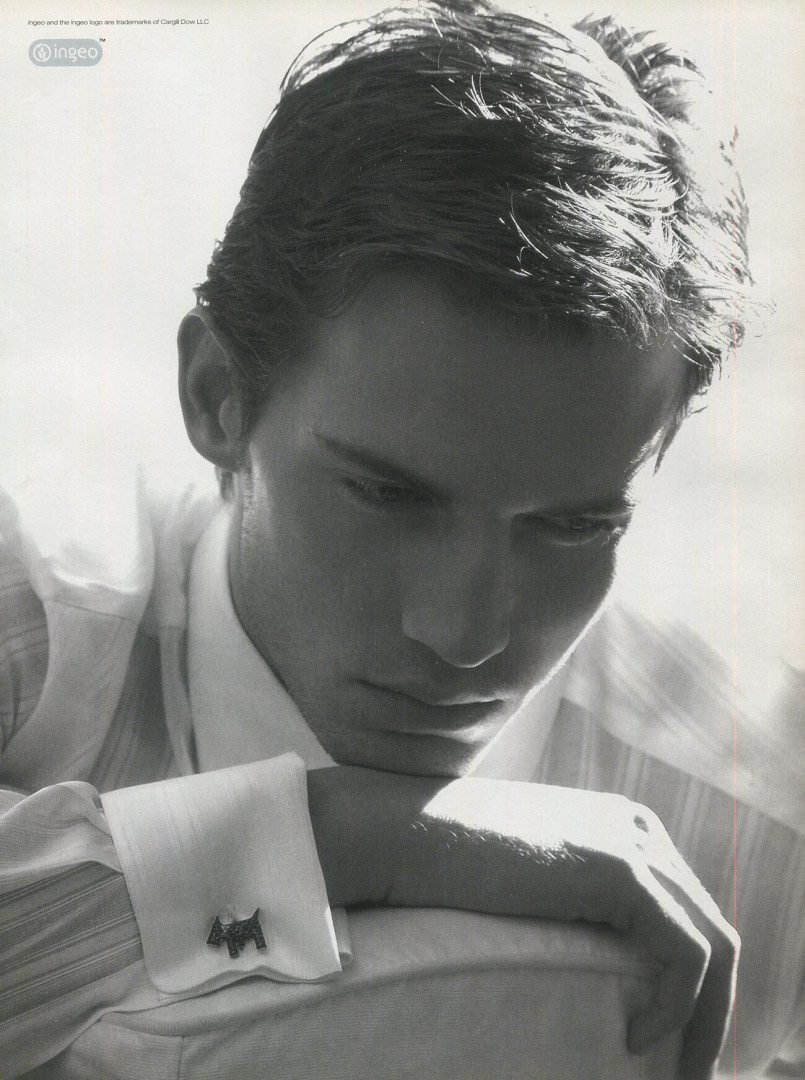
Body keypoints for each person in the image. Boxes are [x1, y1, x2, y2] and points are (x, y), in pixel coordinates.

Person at [1, 1, 802, 1077]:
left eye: (576, 526)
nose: (466, 635)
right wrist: (342, 837)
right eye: (387, 496)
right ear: (216, 394)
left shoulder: (762, 818)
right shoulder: (34, 634)